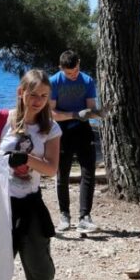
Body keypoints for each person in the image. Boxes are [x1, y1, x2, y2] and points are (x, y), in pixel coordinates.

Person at [0, 69, 75, 280]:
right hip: (1, 205)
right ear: (21, 92)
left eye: (44, 96)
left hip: (31, 205)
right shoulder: (0, 120)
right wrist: (3, 159)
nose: (38, 101)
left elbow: (51, 168)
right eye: (33, 94)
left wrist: (27, 159)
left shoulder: (51, 128)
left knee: (41, 268)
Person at [49, 50, 101, 232]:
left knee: (88, 171)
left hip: (83, 129)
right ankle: (64, 215)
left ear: (79, 63)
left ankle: (85, 216)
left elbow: (91, 108)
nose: (73, 75)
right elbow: (51, 113)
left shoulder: (87, 81)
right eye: (69, 73)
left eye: (76, 70)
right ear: (61, 68)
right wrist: (73, 114)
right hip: (61, 131)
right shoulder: (54, 81)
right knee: (62, 173)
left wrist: (94, 113)